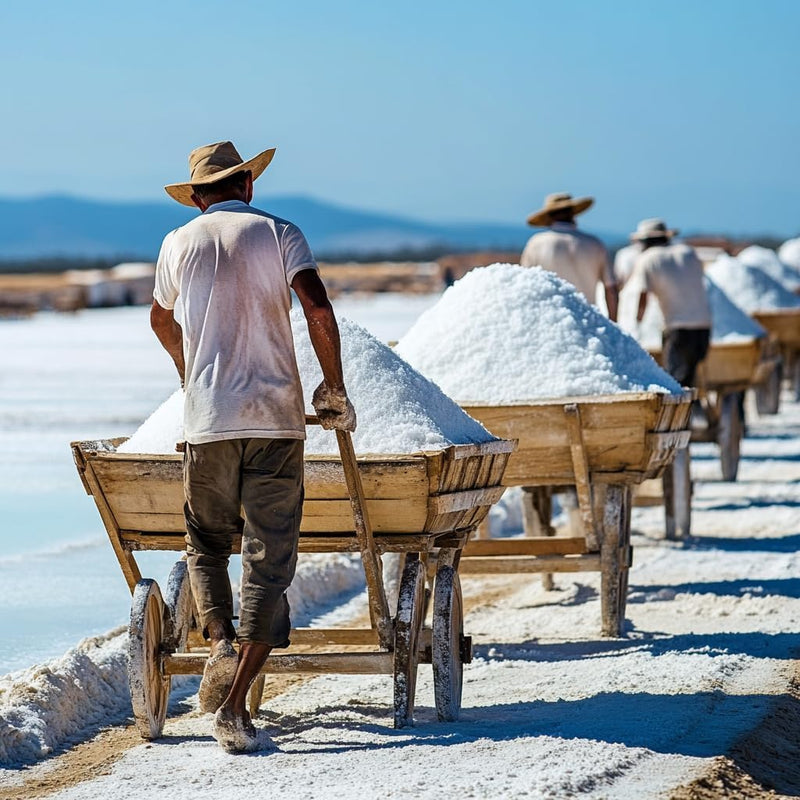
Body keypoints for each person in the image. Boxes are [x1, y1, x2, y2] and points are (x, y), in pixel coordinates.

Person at [150, 140, 355, 754]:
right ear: (247, 186)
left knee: (207, 543)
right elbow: (317, 309)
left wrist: (192, 374)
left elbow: (161, 321)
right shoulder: (281, 233)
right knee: (269, 560)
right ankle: (235, 706)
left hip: (207, 421)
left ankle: (218, 644)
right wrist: (334, 385)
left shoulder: (175, 243)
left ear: (195, 196)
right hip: (275, 420)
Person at [632, 218, 711, 386]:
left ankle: (687, 412)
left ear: (645, 241)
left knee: (675, 381)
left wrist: (637, 324)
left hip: (678, 327)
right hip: (704, 324)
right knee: (690, 377)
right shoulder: (688, 252)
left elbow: (643, 297)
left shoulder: (647, 259)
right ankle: (694, 410)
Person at [521, 192, 618, 320]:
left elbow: (526, 285)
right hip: (588, 320)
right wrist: (614, 323)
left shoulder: (536, 244)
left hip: (551, 318)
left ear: (549, 217)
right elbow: (611, 289)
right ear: (573, 214)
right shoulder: (594, 243)